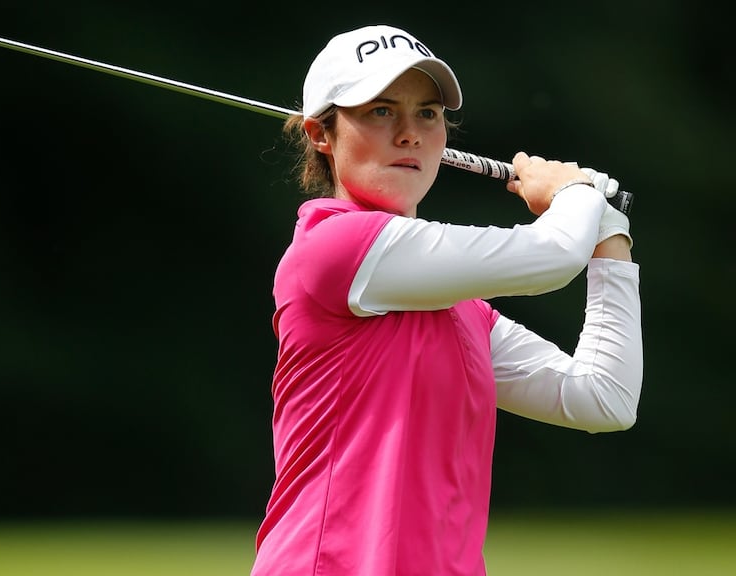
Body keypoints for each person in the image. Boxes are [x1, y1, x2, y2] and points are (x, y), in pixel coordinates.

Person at [250, 24, 643, 576]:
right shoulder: (331, 248)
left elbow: (603, 399)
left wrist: (610, 238)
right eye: (381, 111)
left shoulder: (464, 312)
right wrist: (575, 193)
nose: (409, 133)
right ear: (321, 133)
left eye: (427, 114)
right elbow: (551, 256)